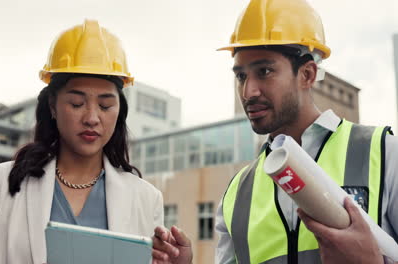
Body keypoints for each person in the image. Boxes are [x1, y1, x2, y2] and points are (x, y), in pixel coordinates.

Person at [152, 0, 398, 263]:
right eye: (241, 77)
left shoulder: (383, 153)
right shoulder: (236, 193)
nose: (248, 92)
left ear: (307, 74)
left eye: (264, 71)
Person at [0, 20, 164, 264]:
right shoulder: (1, 183)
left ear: (119, 110)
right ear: (52, 105)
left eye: (105, 106)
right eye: (76, 104)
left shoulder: (146, 198)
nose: (92, 118)